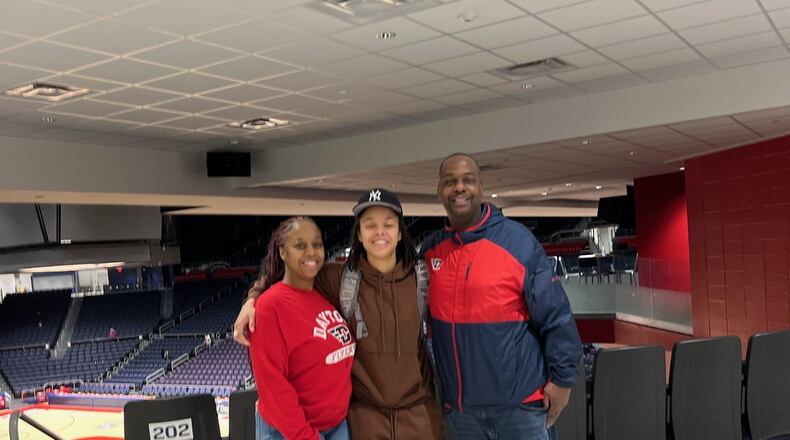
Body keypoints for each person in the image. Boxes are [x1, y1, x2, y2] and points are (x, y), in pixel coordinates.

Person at [236, 189, 443, 439]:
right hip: (365, 419)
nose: (379, 232)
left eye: (388, 225)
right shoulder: (339, 278)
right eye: (370, 225)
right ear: (359, 234)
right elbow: (289, 275)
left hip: (417, 416)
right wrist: (253, 298)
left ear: (400, 233)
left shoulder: (421, 278)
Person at [420, 153, 582, 439]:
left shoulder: (518, 242)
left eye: (468, 180)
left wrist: (562, 380)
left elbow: (556, 314)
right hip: (462, 414)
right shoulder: (431, 251)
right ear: (439, 192)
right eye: (450, 181)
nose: (459, 188)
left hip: (520, 410)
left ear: (481, 187)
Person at [248, 216, 355, 440]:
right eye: (300, 245)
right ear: (282, 252)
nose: (311, 252)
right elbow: (273, 387)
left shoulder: (323, 294)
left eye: (317, 244)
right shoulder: (270, 307)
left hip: (336, 426)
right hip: (292, 433)